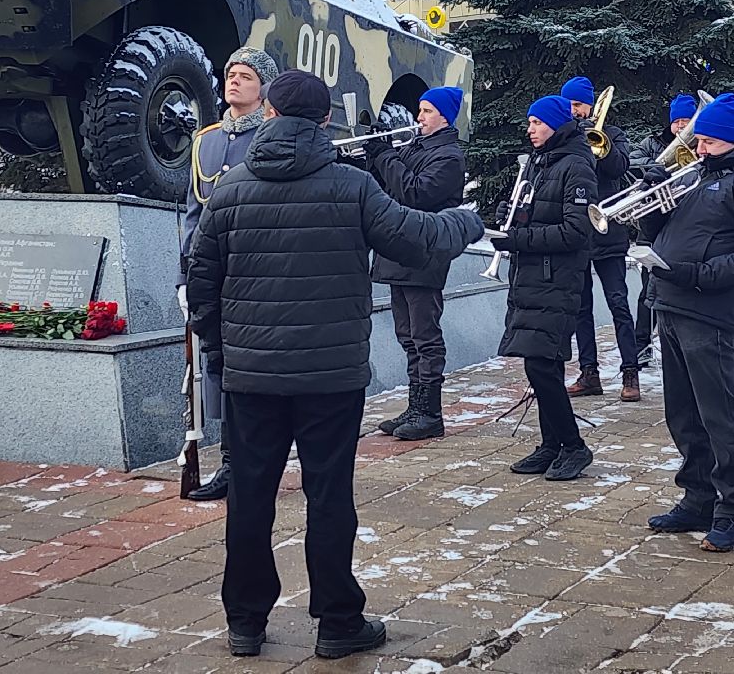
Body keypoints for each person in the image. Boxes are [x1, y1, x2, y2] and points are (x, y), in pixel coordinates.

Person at [187, 70, 484, 660]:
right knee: (328, 497)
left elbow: (202, 282)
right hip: (331, 377)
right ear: (326, 121)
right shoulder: (351, 186)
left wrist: (223, 357)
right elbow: (417, 237)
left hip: (252, 377)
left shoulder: (230, 187)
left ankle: (245, 621)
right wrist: (468, 219)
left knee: (249, 497)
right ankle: (338, 622)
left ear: (268, 114)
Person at [639, 93, 734, 553]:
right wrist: (653, 203)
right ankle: (697, 496)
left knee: (719, 415)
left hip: (712, 311)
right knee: (681, 413)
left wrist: (698, 275)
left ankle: (732, 511)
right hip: (672, 304)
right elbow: (658, 235)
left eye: (708, 141)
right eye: (697, 140)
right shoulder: (697, 176)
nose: (698, 149)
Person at [177, 45, 279, 502]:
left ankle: (254, 463)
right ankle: (232, 465)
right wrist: (186, 275)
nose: (233, 81)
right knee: (217, 372)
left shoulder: (273, 137)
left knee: (254, 375)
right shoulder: (208, 139)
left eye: (246, 77)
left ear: (264, 91)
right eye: (230, 73)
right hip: (212, 274)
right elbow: (193, 214)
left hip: (254, 272)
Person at [490, 94, 598, 481]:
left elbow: (575, 232)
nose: (530, 130)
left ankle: (574, 446)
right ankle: (551, 444)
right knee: (543, 364)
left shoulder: (576, 166)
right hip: (532, 276)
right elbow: (534, 210)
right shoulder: (541, 162)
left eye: (537, 123)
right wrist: (510, 215)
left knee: (540, 364)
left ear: (555, 125)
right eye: (530, 123)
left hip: (557, 278)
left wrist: (519, 238)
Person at [365, 86, 468, 441]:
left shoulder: (449, 158)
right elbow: (386, 189)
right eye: (419, 110)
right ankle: (415, 406)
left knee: (425, 335)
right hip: (398, 249)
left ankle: (431, 412)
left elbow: (415, 193)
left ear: (443, 116)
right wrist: (372, 156)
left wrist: (384, 158)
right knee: (407, 335)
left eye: (425, 111)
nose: (419, 117)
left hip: (424, 251)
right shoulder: (415, 147)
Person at [560, 76, 639, 401]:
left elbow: (619, 165)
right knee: (581, 308)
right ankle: (589, 373)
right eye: (570, 105)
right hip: (579, 234)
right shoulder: (564, 136)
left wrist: (599, 142)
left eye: (578, 104)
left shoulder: (613, 134)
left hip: (609, 233)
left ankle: (630, 374)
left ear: (591, 105)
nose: (574, 111)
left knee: (618, 303)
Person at [629, 93, 698, 368]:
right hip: (653, 230)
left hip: (684, 227)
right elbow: (632, 163)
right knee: (648, 292)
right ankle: (641, 346)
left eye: (687, 120)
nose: (682, 126)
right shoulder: (652, 143)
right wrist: (658, 168)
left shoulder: (700, 145)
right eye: (678, 121)